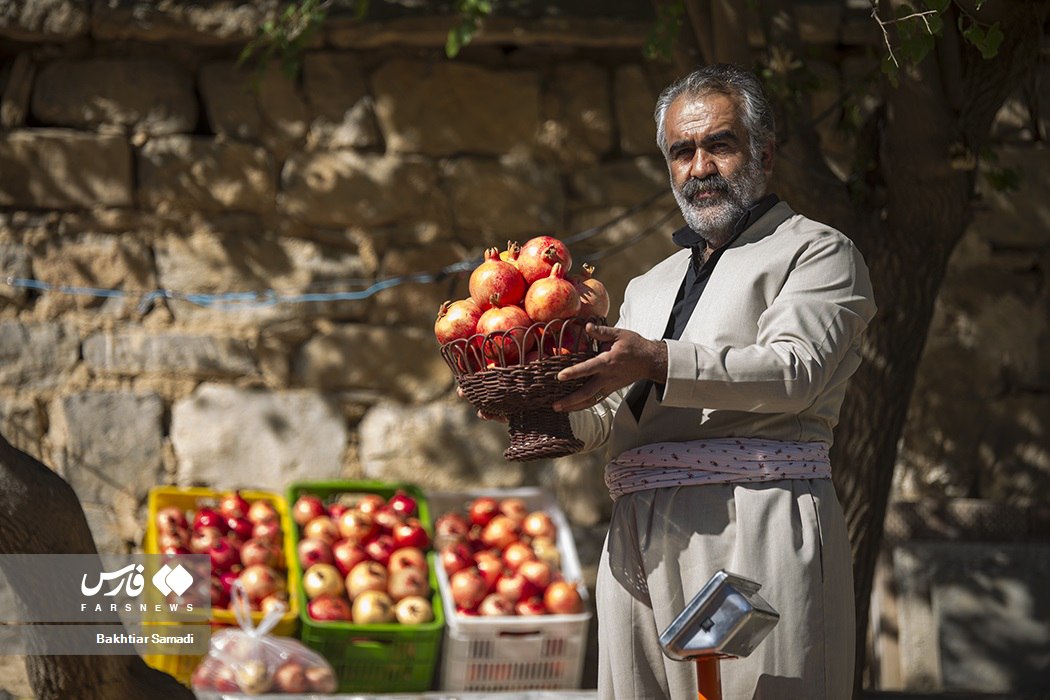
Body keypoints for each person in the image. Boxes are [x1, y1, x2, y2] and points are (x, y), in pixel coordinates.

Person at [550, 63, 877, 699]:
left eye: (719, 145)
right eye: (681, 151)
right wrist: (540, 397)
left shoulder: (817, 252)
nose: (699, 167)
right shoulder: (649, 284)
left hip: (753, 518)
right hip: (635, 536)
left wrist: (656, 360)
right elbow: (606, 417)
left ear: (765, 153)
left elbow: (794, 372)